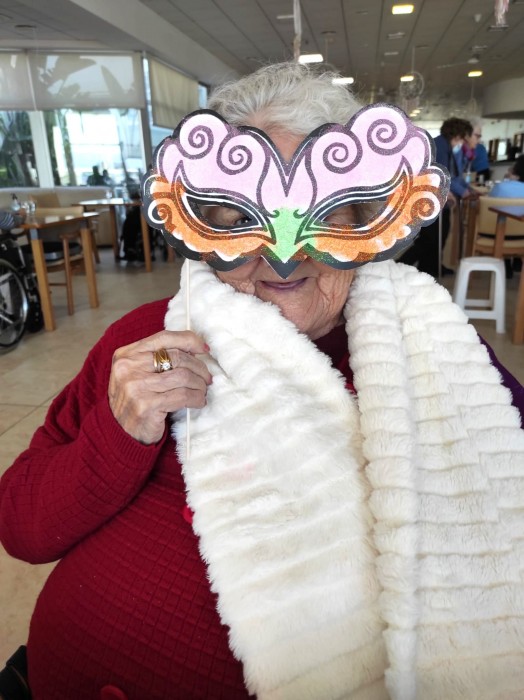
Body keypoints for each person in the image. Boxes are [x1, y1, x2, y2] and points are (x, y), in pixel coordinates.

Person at [1, 62, 523, 700]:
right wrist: (120, 431)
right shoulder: (148, 339)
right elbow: (22, 526)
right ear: (199, 229)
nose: (282, 254)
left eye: (323, 215)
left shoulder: (437, 350)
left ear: (368, 220)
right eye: (238, 218)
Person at [399, 117, 475, 277]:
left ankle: (430, 268)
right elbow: (437, 174)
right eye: (463, 138)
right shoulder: (440, 146)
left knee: (440, 234)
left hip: (432, 199)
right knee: (429, 239)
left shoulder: (445, 146)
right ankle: (400, 267)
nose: (463, 142)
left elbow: (449, 174)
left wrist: (461, 190)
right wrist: (449, 192)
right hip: (427, 198)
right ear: (458, 135)